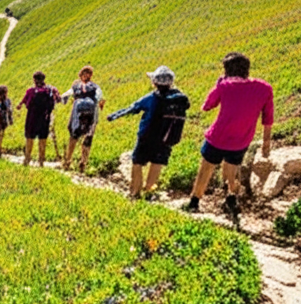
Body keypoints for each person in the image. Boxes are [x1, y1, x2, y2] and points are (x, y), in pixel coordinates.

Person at [185, 52, 274, 219]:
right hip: (241, 140)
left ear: (226, 70)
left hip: (217, 138)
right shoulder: (264, 88)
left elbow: (207, 106)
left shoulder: (224, 86)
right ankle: (231, 197)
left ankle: (194, 202)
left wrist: (218, 84)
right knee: (232, 168)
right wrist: (266, 144)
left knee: (206, 169)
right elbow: (267, 118)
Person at [107, 66, 190, 198]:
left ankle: (135, 192)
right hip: (166, 138)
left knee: (137, 162)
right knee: (157, 162)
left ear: (154, 83)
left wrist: (113, 116)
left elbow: (133, 108)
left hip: (147, 137)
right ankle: (149, 192)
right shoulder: (179, 99)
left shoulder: (151, 98)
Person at [62, 66, 106, 173]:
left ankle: (68, 160)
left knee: (74, 135)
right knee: (88, 136)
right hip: (91, 112)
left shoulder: (76, 86)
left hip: (77, 112)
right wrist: (99, 104)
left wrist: (62, 100)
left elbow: (65, 95)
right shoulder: (95, 87)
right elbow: (100, 98)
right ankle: (83, 162)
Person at [16, 71, 62, 166]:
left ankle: (27, 159)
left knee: (29, 138)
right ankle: (41, 161)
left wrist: (20, 104)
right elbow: (58, 99)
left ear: (34, 80)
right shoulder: (51, 89)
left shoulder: (31, 91)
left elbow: (25, 101)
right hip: (45, 116)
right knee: (42, 138)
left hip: (32, 116)